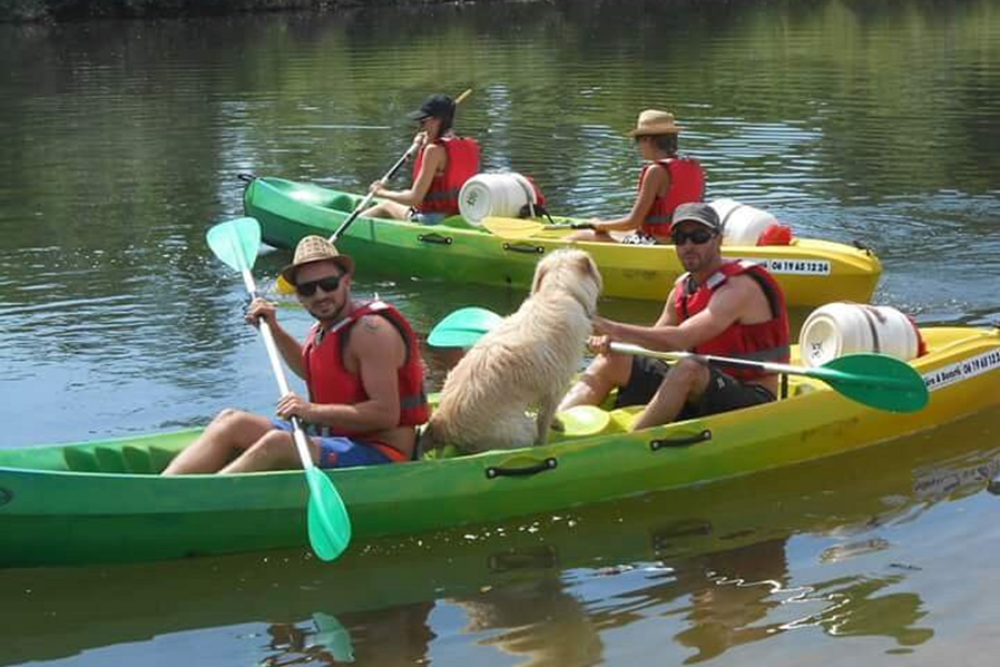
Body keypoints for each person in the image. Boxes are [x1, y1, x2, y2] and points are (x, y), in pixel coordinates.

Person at [163, 236, 429, 474]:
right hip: (336, 437)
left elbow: (386, 415)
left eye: (328, 284)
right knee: (231, 421)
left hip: (381, 453)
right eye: (308, 289)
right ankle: (164, 490)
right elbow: (313, 370)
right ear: (299, 296)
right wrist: (274, 328)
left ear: (346, 282)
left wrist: (310, 410)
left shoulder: (371, 331)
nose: (320, 294)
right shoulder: (325, 328)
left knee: (277, 444)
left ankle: (197, 501)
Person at [558, 202, 789, 430]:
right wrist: (615, 343)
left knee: (687, 368)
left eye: (699, 236)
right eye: (680, 237)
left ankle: (631, 444)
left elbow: (680, 339)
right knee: (611, 360)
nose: (689, 245)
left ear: (718, 240)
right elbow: (656, 340)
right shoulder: (683, 289)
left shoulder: (739, 288)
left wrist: (609, 327)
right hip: (701, 386)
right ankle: (550, 427)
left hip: (751, 395)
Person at [568, 109, 705, 244]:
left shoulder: (656, 171)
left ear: (647, 140)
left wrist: (598, 224)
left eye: (637, 141)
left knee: (578, 237)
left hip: (658, 241)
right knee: (610, 232)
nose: (638, 146)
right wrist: (604, 227)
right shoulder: (694, 165)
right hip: (686, 240)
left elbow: (633, 222)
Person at [361, 93, 481, 224]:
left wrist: (381, 192)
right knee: (401, 197)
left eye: (423, 122)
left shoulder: (433, 151)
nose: (421, 127)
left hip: (432, 219)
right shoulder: (470, 145)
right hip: (460, 216)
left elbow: (414, 199)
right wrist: (424, 144)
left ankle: (352, 229)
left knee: (387, 205)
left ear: (437, 121)